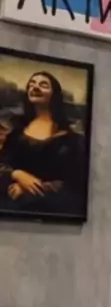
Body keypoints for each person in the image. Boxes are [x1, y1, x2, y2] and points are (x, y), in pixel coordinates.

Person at [0, 72, 84, 216]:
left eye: (43, 85)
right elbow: (2, 163)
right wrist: (17, 174)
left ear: (54, 95)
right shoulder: (16, 132)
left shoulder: (70, 139)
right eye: (32, 84)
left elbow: (74, 181)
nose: (35, 87)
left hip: (53, 210)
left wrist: (29, 188)